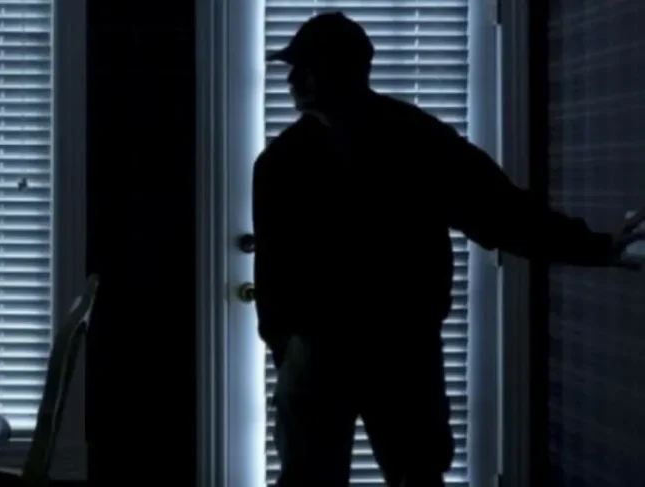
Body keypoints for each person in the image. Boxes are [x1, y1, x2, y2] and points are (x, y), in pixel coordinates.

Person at [251, 11, 645, 487]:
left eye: (305, 66)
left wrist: (596, 247)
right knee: (327, 478)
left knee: (406, 473)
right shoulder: (294, 159)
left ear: (341, 69)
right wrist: (284, 344)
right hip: (341, 348)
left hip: (395, 347)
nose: (292, 79)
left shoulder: (409, 141)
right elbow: (273, 267)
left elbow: (499, 210)